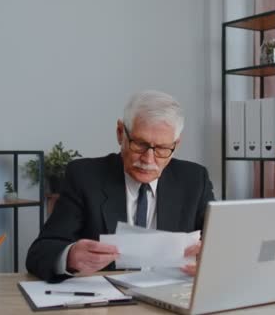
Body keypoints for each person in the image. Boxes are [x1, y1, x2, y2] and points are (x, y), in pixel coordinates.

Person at [26, 90, 215, 281]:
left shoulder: (194, 180)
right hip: (108, 302)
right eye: (140, 144)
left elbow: (223, 245)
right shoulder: (85, 177)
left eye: (162, 149)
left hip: (170, 297)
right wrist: (69, 256)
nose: (149, 159)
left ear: (176, 144)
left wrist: (211, 258)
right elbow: (40, 253)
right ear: (120, 133)